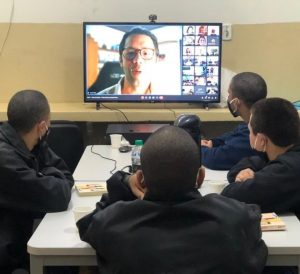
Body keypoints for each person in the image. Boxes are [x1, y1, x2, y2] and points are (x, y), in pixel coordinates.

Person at [77, 126, 267, 274]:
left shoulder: (113, 222)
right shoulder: (235, 218)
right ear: (200, 177)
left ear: (141, 179)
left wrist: (124, 181)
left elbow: (87, 225)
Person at [0, 90, 74, 274]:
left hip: (21, 236)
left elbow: (66, 177)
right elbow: (59, 196)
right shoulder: (4, 159)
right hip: (10, 257)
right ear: (41, 126)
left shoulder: (31, 143)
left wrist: (42, 173)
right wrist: (45, 174)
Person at [222, 97, 300, 217]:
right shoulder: (287, 152)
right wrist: (245, 172)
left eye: (250, 130)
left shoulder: (289, 169)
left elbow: (229, 196)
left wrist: (249, 178)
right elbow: (249, 164)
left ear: (261, 139)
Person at [201, 72, 267, 170]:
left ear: (236, 103)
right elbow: (233, 135)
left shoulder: (253, 134)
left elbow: (214, 159)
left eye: (229, 94)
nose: (228, 98)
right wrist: (213, 142)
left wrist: (198, 147)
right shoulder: (258, 120)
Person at [97, 27, 160, 95]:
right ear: (121, 60)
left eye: (146, 53)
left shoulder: (169, 98)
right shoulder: (100, 98)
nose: (137, 60)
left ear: (156, 60)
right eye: (131, 53)